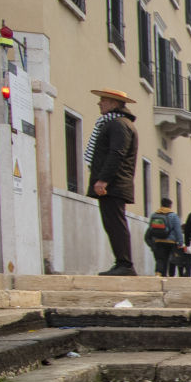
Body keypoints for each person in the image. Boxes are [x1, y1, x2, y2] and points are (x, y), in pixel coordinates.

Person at [86, 87, 139, 275]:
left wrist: (103, 180)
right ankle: (122, 262)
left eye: (104, 100)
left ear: (114, 103)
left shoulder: (118, 124)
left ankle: (125, 264)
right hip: (116, 183)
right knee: (113, 223)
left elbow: (116, 153)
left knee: (115, 223)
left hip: (114, 184)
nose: (99, 103)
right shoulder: (116, 123)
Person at [143, 196, 183, 276]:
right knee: (168, 259)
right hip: (170, 241)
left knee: (160, 259)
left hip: (158, 240)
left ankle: (159, 273)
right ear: (170, 205)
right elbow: (178, 230)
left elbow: (151, 228)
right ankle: (166, 275)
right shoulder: (173, 216)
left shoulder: (154, 215)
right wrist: (180, 241)